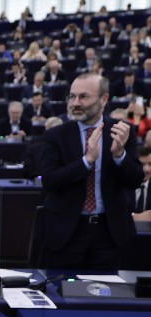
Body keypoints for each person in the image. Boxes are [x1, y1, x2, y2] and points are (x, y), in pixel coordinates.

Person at [40, 73, 143, 269]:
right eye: (72, 96)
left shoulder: (121, 132)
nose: (75, 103)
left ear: (104, 99)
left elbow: (135, 180)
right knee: (63, 294)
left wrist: (119, 155)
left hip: (109, 233)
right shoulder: (55, 135)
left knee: (105, 294)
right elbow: (50, 180)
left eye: (83, 97)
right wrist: (86, 162)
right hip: (66, 232)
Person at [133, 146, 151, 219]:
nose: (147, 169)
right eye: (142, 164)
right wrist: (135, 217)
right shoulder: (122, 186)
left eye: (150, 164)